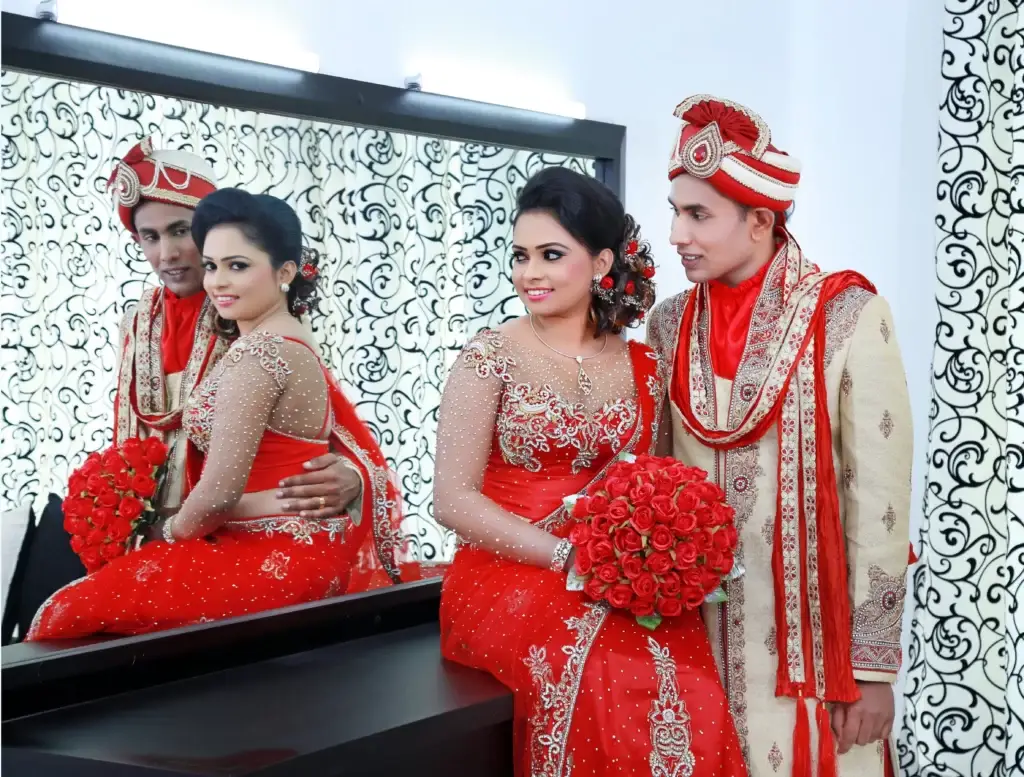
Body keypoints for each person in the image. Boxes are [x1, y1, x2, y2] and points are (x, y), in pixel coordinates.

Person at [436, 167, 747, 776]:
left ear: (602, 263)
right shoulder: (488, 356)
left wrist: (644, 559)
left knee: (689, 681)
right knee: (603, 672)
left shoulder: (643, 363)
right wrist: (567, 560)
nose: (531, 273)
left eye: (552, 255)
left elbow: (651, 484)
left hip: (615, 576)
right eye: (521, 255)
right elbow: (451, 500)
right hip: (508, 572)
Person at [646, 95, 911, 777]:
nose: (676, 233)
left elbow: (878, 507)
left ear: (760, 220)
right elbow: (655, 472)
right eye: (675, 210)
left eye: (698, 214)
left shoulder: (847, 315)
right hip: (694, 638)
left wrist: (873, 670)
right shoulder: (670, 324)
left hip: (814, 661)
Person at [28, 189, 404, 639]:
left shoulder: (256, 348)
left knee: (69, 616)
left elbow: (232, 488)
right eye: (213, 265)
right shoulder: (147, 322)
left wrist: (352, 476)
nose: (217, 280)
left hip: (244, 537)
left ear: (284, 271)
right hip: (239, 532)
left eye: (236, 265)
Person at [105, 137, 364, 529]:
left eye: (180, 231)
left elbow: (321, 424)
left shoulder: (252, 313)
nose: (167, 254)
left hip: (232, 524)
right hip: (149, 522)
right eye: (150, 237)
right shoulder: (138, 321)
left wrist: (352, 477)